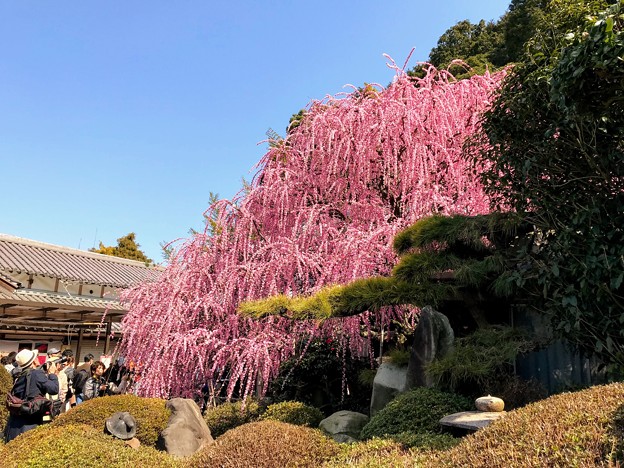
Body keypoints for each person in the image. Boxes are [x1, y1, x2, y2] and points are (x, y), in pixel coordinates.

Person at [4, 349, 59, 442]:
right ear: (33, 361)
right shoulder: (36, 374)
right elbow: (54, 389)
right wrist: (52, 374)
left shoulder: (18, 375)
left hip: (14, 424)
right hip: (29, 424)